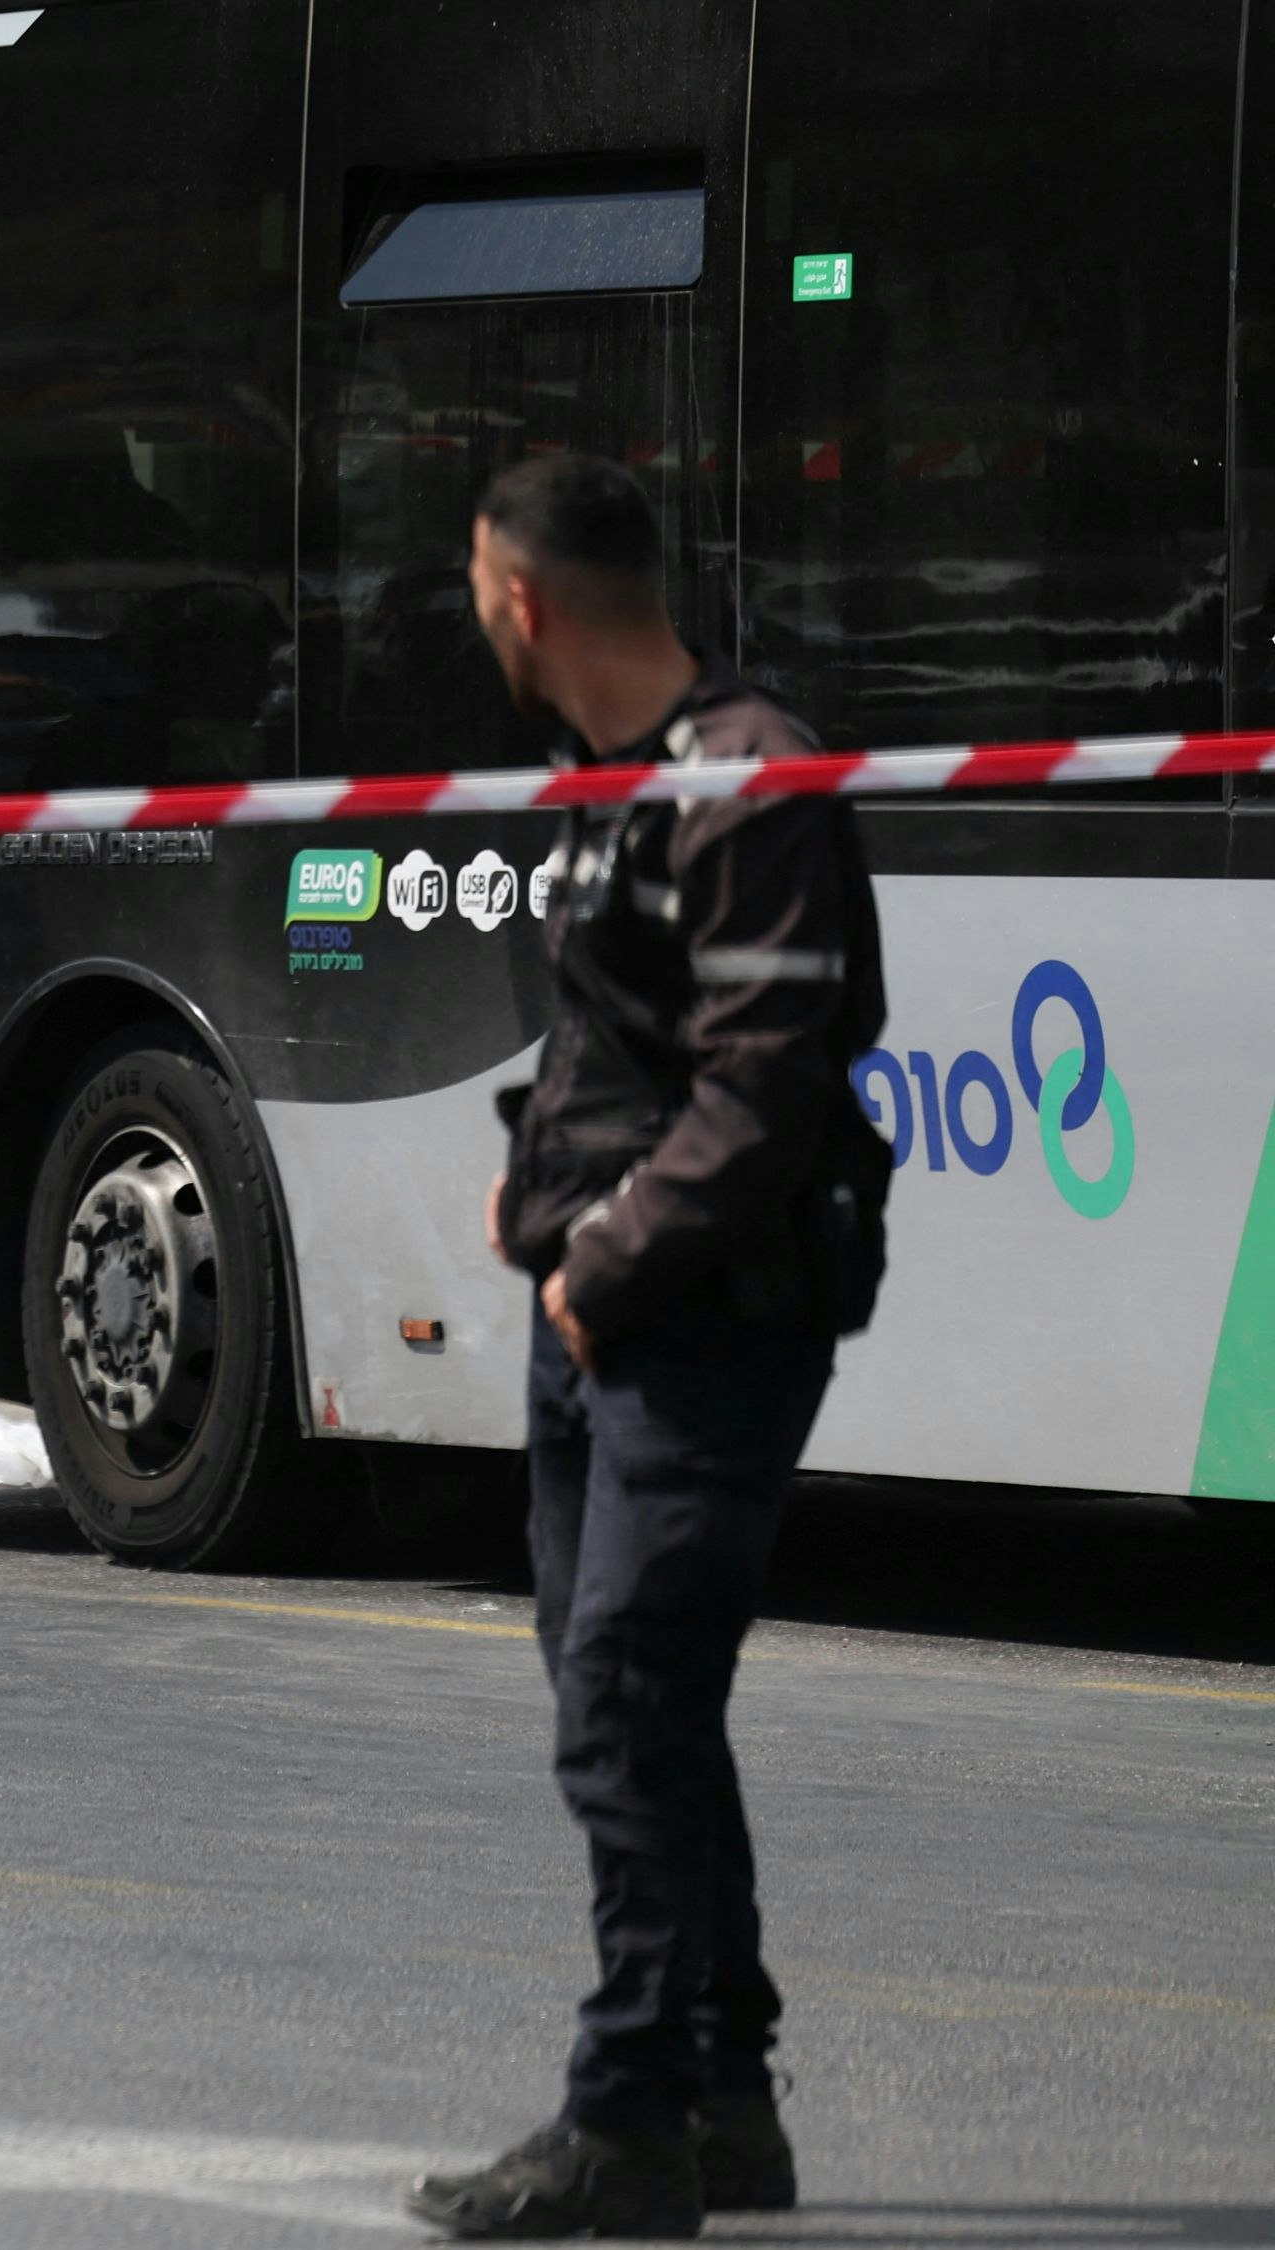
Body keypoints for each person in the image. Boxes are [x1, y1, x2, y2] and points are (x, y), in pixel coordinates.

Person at [407, 456, 890, 2240]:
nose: (476, 621)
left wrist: (602, 1262)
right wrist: (535, 1184)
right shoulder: (614, 785)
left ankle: (626, 2122)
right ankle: (723, 2100)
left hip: (706, 1323)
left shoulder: (747, 775)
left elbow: (769, 1083)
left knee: (625, 1700)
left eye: (476, 590)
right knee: (638, 1706)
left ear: (522, 599)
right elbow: (619, 1046)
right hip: (606, 1316)